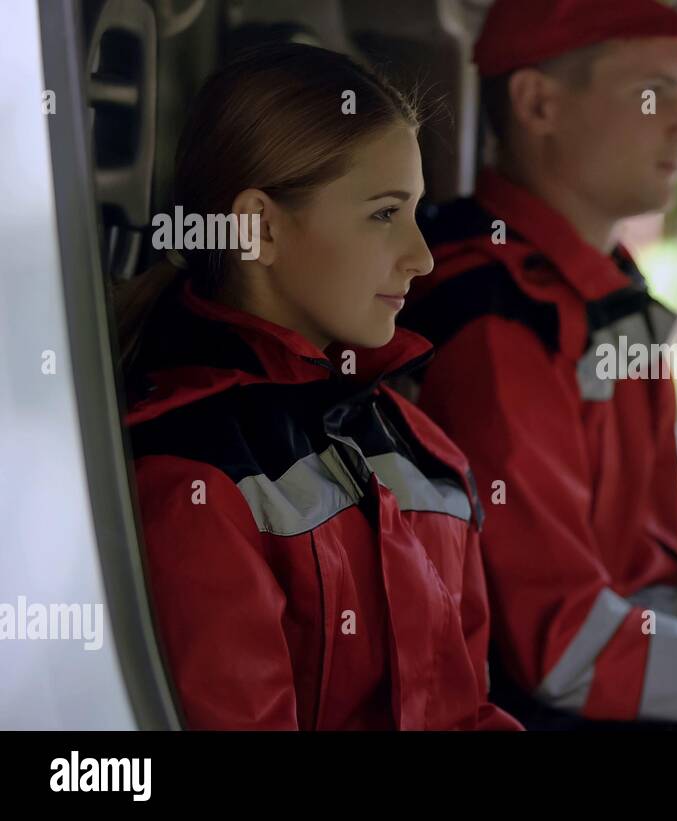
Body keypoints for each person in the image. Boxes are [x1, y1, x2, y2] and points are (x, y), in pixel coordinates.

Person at [398, 0, 677, 728]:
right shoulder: (496, 325)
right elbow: (567, 652)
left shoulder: (598, 286)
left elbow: (650, 575)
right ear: (538, 104)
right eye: (654, 91)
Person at [118, 43, 519, 730]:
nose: (422, 257)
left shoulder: (418, 443)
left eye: (416, 212)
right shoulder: (195, 474)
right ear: (259, 228)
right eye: (384, 213)